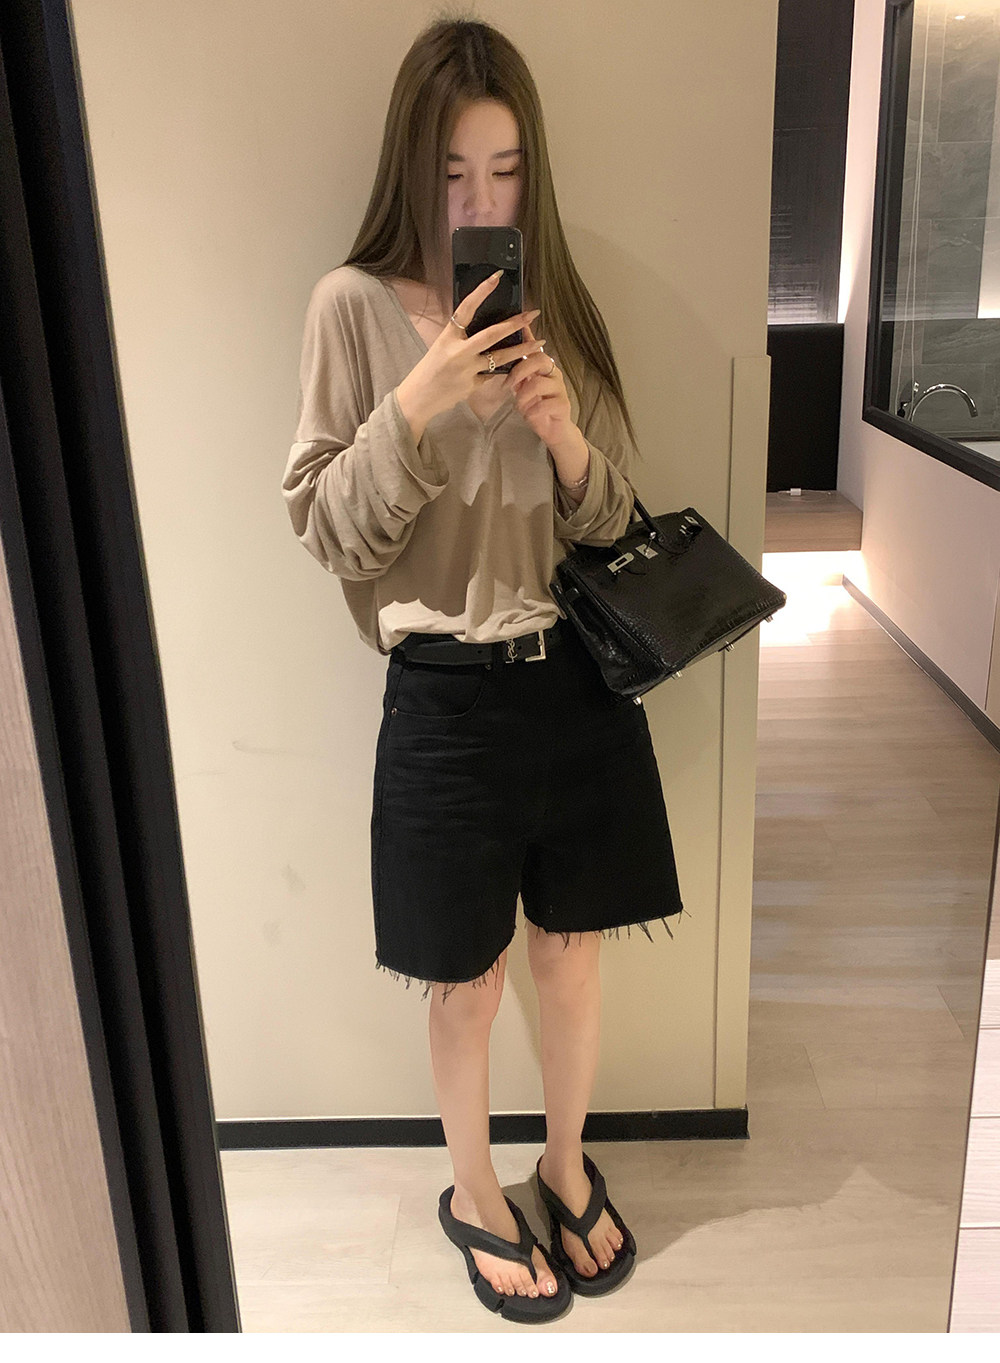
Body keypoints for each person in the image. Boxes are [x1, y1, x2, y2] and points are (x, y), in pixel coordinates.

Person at [281, 12, 686, 1325]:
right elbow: (326, 529)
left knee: (571, 956)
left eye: (505, 171)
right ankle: (473, 1193)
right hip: (446, 692)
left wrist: (565, 443)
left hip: (574, 677)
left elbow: (619, 530)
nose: (479, 199)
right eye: (453, 171)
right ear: (412, 166)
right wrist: (419, 403)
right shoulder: (351, 308)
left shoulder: (554, 304)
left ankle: (563, 1167)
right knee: (466, 978)